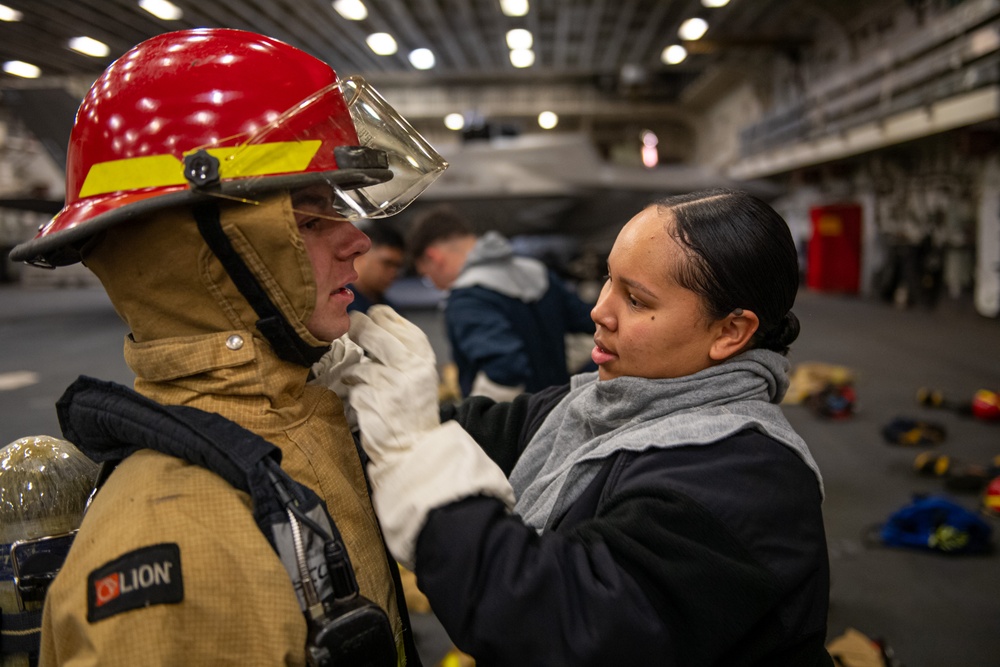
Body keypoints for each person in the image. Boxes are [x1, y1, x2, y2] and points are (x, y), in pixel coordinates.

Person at [8, 28, 446, 665]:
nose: (356, 242)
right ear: (197, 253)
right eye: (308, 217)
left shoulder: (307, 422)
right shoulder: (177, 551)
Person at [333, 188, 834, 665]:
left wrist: (414, 454)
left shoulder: (745, 480)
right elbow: (484, 428)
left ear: (730, 331)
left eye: (636, 300)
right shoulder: (601, 405)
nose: (599, 310)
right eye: (608, 280)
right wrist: (351, 405)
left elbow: (560, 630)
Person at [407, 205, 596, 401]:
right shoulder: (537, 272)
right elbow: (593, 323)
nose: (435, 285)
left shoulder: (467, 299)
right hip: (561, 411)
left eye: (426, 276)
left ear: (434, 257)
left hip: (520, 425)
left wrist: (478, 421)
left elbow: (505, 369)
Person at [347, 221, 406, 313]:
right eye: (387, 263)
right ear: (359, 255)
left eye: (397, 266)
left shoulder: (391, 312)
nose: (394, 272)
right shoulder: (340, 305)